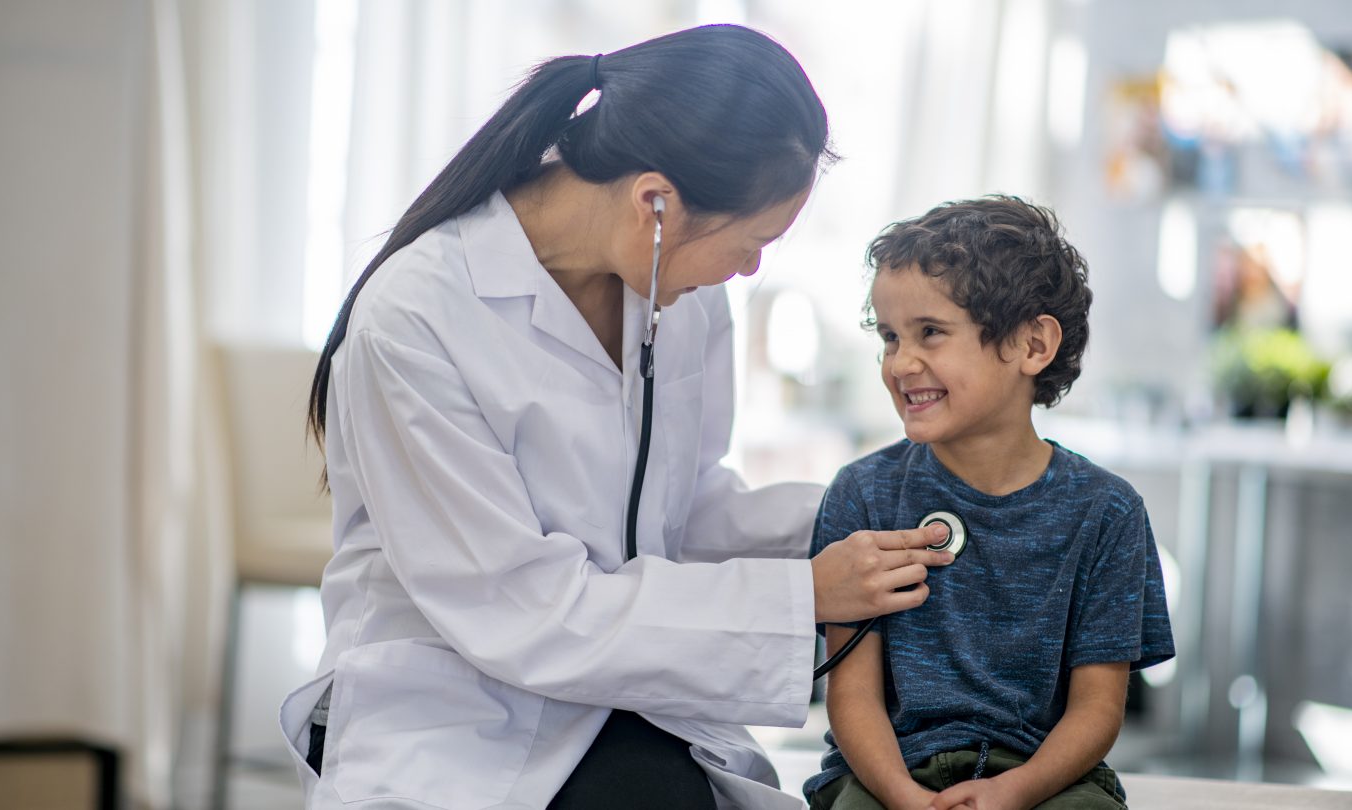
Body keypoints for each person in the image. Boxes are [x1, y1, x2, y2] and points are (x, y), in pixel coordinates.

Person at [277, 24, 956, 810]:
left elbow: (680, 510)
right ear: (656, 204)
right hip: (456, 711)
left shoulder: (681, 290)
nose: (749, 268)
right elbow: (520, 609)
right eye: (753, 241)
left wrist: (857, 517)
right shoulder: (415, 318)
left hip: (616, 698)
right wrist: (804, 595)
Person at [805, 197, 1175, 810]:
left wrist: (1013, 792)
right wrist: (903, 796)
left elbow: (1097, 710)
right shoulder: (862, 494)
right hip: (888, 772)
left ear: (1033, 344)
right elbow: (853, 696)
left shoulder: (1109, 514)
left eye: (930, 333)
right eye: (890, 337)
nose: (901, 363)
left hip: (1044, 779)